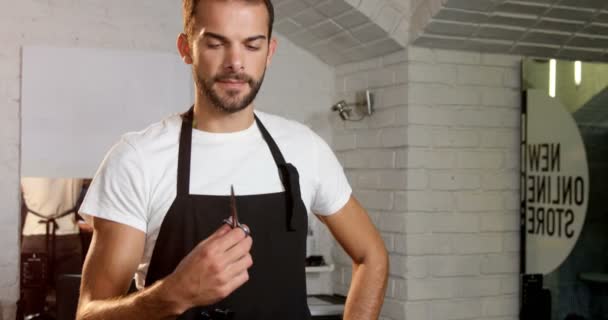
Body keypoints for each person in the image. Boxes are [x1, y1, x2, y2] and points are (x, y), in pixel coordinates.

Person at [76, 0, 388, 319]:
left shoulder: (305, 148)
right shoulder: (138, 160)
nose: (236, 62)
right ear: (186, 48)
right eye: (215, 43)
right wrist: (171, 295)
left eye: (252, 46)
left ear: (270, 52)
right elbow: (88, 314)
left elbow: (371, 255)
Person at [20, 177, 88, 317]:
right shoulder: (77, 157)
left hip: (34, 234)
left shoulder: (24, 158)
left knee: (32, 308)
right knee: (70, 306)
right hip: (68, 235)